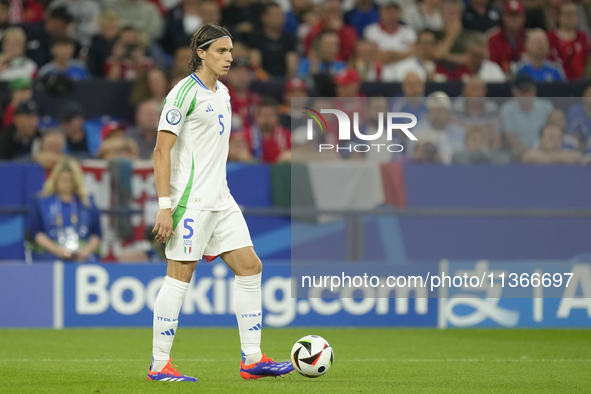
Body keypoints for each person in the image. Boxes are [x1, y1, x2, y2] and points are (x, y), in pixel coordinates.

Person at [149, 23, 294, 382]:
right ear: (201, 53)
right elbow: (160, 150)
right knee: (179, 278)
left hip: (221, 198)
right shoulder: (182, 94)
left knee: (250, 267)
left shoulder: (224, 93)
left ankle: (252, 359)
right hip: (191, 201)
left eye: (231, 52)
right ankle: (159, 365)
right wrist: (165, 205)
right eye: (221, 52)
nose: (229, 58)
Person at [27, 158, 102, 262]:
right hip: (49, 255)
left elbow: (96, 234)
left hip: (82, 257)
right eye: (63, 180)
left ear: (76, 181)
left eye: (70, 180)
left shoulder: (87, 202)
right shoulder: (41, 201)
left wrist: (85, 252)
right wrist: (56, 250)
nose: (66, 184)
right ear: (55, 179)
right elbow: (36, 232)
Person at [500, 74, 554, 154]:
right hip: (519, 151)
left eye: (528, 91)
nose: (526, 95)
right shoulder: (506, 109)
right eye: (522, 92)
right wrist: (529, 151)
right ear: (514, 92)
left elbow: (553, 132)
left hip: (545, 150)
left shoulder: (547, 107)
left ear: (534, 91)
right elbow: (510, 138)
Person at [363, 0, 416, 81]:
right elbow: (375, 55)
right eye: (388, 11)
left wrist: (387, 55)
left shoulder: (409, 32)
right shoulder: (370, 31)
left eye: (394, 12)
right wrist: (403, 54)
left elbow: (414, 53)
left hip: (404, 71)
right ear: (381, 12)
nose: (391, 15)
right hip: (380, 71)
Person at [409, 91, 466, 164]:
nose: (436, 115)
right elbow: (410, 157)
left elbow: (465, 157)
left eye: (440, 111)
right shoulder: (417, 132)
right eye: (433, 111)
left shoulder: (459, 132)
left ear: (448, 112)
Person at [248, 2, 298, 78]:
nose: (279, 19)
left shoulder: (289, 39)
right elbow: (255, 65)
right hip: (262, 81)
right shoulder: (256, 38)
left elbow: (292, 65)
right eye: (275, 15)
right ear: (264, 18)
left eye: (281, 15)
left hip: (284, 80)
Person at [451, 76, 501, 149]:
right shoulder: (455, 109)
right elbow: (453, 138)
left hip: (487, 153)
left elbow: (497, 139)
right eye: (474, 88)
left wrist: (491, 155)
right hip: (462, 153)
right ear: (465, 90)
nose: (478, 93)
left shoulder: (493, 109)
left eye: (481, 89)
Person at [547, 1, 591, 80]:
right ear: (558, 16)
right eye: (566, 14)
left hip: (580, 83)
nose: (570, 17)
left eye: (573, 14)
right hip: (556, 84)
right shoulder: (549, 38)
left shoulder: (585, 38)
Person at [243, 98, 291, 163]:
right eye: (263, 115)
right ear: (256, 117)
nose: (267, 119)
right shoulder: (245, 135)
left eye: (270, 115)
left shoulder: (287, 135)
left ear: (277, 117)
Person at [487, 0, 527, 74]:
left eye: (517, 16)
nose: (513, 20)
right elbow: (490, 64)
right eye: (510, 16)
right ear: (503, 17)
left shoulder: (529, 37)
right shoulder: (492, 38)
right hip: (498, 77)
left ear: (523, 19)